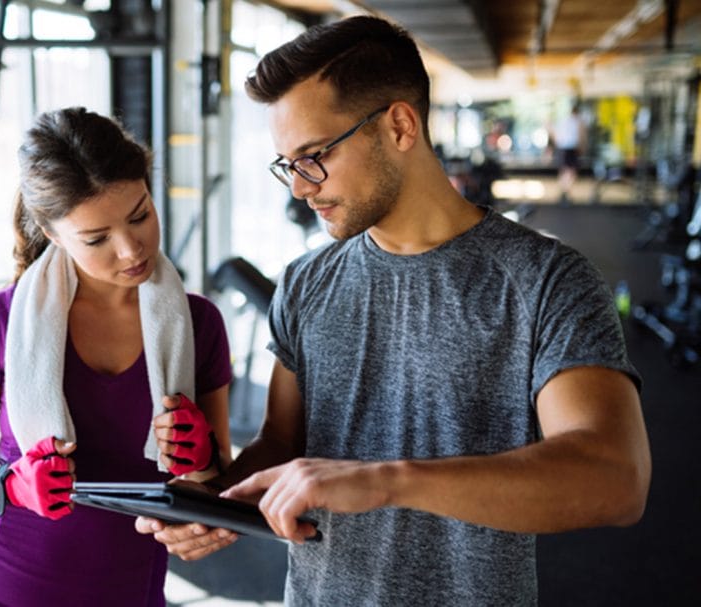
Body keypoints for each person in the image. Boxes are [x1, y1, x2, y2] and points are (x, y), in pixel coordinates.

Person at [137, 15, 650, 606]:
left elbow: (615, 477)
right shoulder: (306, 283)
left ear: (400, 125)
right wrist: (210, 499)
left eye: (314, 155)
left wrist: (385, 481)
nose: (300, 189)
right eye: (287, 165)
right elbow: (282, 443)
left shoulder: (546, 280)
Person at [0, 107, 233, 606]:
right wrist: (11, 483)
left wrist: (201, 459)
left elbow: (216, 481)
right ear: (53, 234)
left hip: (130, 591)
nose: (131, 249)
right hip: (1, 591)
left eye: (141, 215)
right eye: (96, 239)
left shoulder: (198, 324)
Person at [553, 102, 586, 204]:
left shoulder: (563, 121)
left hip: (562, 147)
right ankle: (565, 192)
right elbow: (581, 135)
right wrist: (582, 147)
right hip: (571, 147)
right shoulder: (577, 121)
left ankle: (564, 192)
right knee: (571, 171)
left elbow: (555, 134)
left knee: (564, 171)